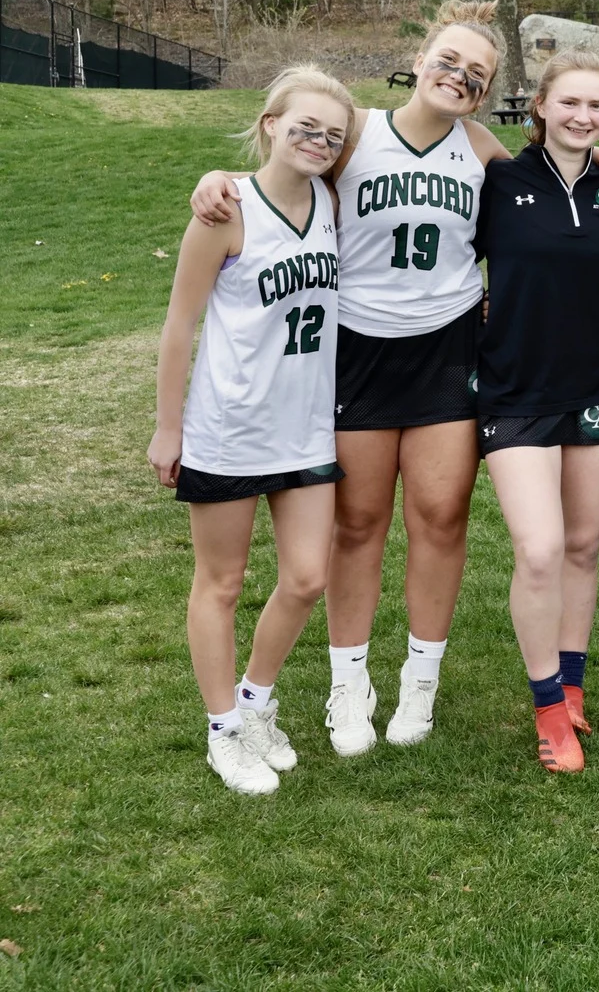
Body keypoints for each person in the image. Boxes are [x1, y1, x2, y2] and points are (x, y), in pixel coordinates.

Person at [188, 0, 599, 757]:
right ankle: (348, 683)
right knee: (358, 523)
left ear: (488, 92)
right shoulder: (355, 128)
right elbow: (282, 170)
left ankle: (419, 683)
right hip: (359, 350)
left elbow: (551, 182)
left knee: (440, 517)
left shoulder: (480, 146)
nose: (459, 77)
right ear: (422, 57)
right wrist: (219, 177)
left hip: (449, 349)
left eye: (477, 73)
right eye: (449, 61)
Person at [150, 67, 355, 794]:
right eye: (304, 126)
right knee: (223, 581)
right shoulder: (226, 207)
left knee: (305, 578)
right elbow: (180, 324)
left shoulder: (332, 201)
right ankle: (223, 731)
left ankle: (256, 703)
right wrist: (167, 427)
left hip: (303, 428)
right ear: (270, 122)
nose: (318, 142)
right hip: (230, 426)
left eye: (332, 135)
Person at [474, 50, 599, 773]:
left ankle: (572, 688)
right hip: (515, 392)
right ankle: (545, 711)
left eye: (596, 106)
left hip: (597, 388)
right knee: (538, 550)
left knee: (582, 547)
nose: (583, 116)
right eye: (569, 103)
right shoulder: (499, 180)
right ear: (539, 105)